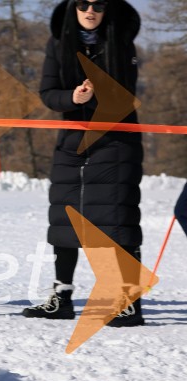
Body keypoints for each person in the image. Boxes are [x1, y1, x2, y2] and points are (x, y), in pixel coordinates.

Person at [23, 0, 145, 327]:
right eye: (83, 3)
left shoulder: (120, 40)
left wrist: (99, 89)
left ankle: (130, 301)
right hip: (72, 140)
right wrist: (72, 98)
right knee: (65, 218)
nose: (90, 10)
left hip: (115, 140)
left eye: (99, 4)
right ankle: (61, 297)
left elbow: (127, 94)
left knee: (117, 219)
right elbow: (48, 92)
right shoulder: (58, 43)